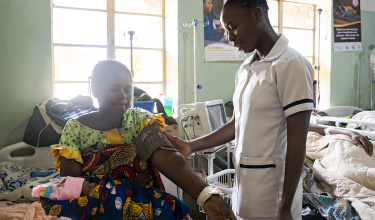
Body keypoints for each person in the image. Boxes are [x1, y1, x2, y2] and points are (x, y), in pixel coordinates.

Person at [166, 0, 315, 219]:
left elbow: (297, 140)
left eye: (233, 27)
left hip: (275, 194)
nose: (230, 37)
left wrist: (285, 207)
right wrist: (190, 146)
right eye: (226, 30)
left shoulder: (290, 64)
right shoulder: (246, 69)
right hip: (244, 186)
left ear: (257, 14)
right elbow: (236, 124)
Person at [50, 60, 236, 220]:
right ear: (95, 89)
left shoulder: (138, 119)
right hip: (99, 210)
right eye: (114, 88)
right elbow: (71, 184)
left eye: (127, 89)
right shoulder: (75, 129)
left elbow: (166, 155)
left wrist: (206, 194)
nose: (123, 94)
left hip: (145, 208)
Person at [33, 176, 190, 219]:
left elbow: (127, 188)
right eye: (88, 187)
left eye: (89, 182)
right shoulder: (90, 204)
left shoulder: (101, 183)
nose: (94, 186)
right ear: (80, 198)